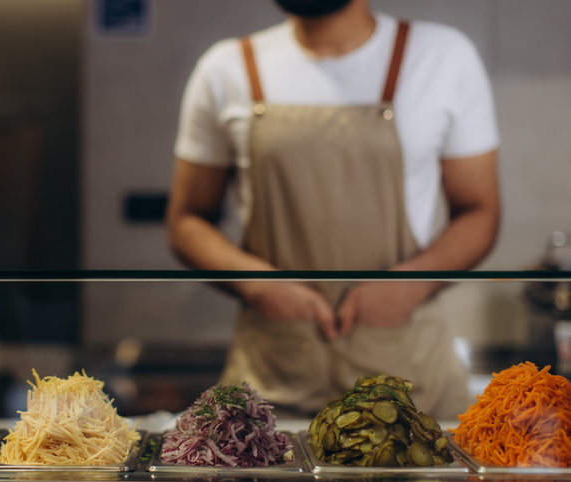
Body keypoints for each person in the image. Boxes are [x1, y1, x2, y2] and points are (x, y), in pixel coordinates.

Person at [165, 0, 500, 419]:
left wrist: (409, 286)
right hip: (270, 395)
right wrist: (260, 286)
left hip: (412, 397)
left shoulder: (443, 58)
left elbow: (479, 212)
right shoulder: (225, 68)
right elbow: (186, 220)